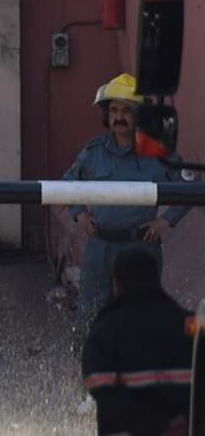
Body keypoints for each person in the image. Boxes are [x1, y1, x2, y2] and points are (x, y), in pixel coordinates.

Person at [63, 73, 194, 336]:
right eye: (113, 110)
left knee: (141, 320)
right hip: (100, 248)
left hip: (140, 248)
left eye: (126, 110)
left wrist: (166, 221)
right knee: (90, 319)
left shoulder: (158, 153)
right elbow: (67, 184)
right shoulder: (94, 152)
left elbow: (191, 186)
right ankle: (86, 362)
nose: (118, 117)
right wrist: (80, 214)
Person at [82, 248, 193, 436]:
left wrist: (155, 425)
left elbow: (99, 385)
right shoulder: (189, 324)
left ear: (117, 285)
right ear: (156, 280)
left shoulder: (104, 331)